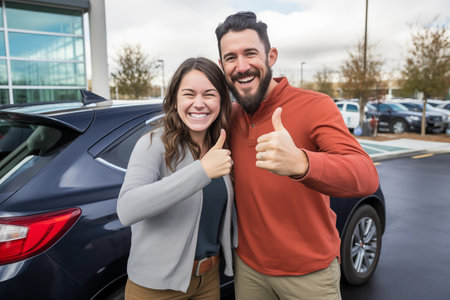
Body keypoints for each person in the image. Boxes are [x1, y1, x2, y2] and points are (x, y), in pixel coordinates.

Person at [215, 12, 379, 300]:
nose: (241, 66)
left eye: (250, 53)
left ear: (271, 56)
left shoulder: (315, 106)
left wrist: (303, 163)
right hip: (249, 270)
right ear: (221, 65)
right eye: (230, 57)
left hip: (309, 275)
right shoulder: (230, 116)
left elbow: (366, 176)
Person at [117, 57, 236, 300]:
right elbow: (127, 209)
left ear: (222, 100)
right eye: (189, 94)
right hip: (156, 289)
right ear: (175, 100)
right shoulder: (152, 144)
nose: (199, 103)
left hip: (208, 281)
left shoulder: (221, 145)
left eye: (209, 94)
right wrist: (201, 171)